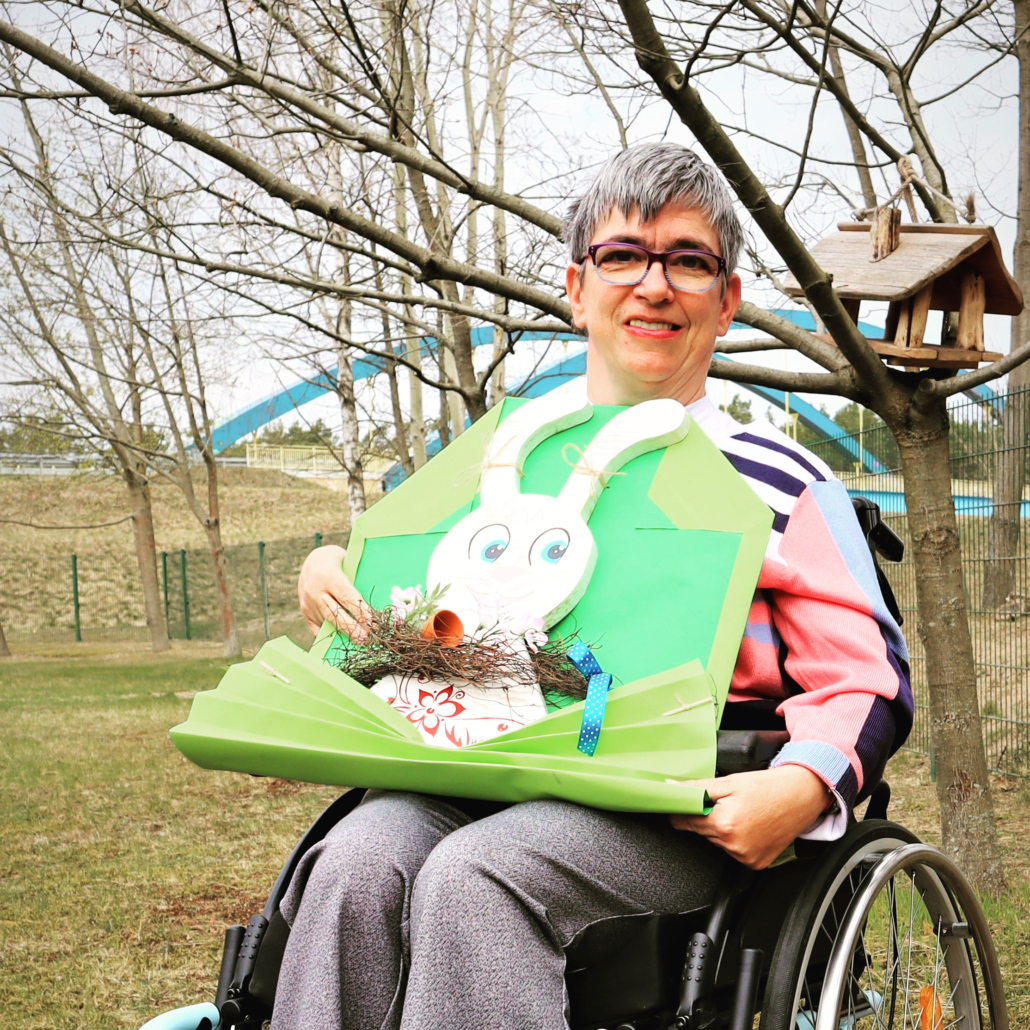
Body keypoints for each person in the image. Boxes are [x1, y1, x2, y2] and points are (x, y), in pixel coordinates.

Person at [271, 143, 913, 1030]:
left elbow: (867, 677)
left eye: (689, 261)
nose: (655, 286)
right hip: (470, 764)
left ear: (727, 301)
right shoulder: (495, 459)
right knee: (353, 864)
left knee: (479, 875)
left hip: (662, 805)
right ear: (578, 288)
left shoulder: (787, 481)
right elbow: (414, 613)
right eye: (623, 257)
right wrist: (332, 575)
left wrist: (802, 786)